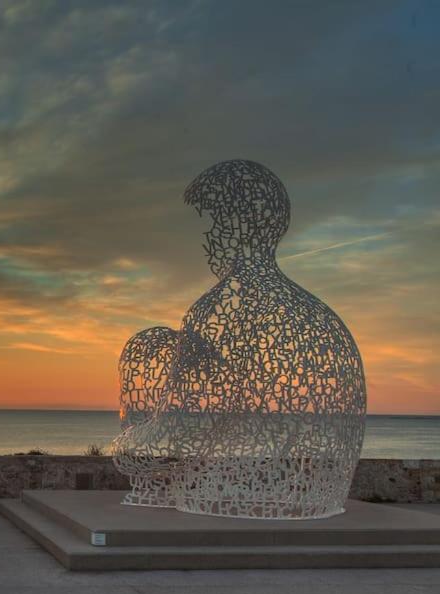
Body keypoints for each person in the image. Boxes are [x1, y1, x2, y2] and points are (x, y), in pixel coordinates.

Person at [112, 160, 366, 519]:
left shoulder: (213, 309)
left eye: (211, 224)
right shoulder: (325, 317)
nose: (205, 241)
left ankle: (162, 491)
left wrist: (124, 446)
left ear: (240, 226)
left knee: (148, 344)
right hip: (320, 494)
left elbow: (173, 433)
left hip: (213, 488)